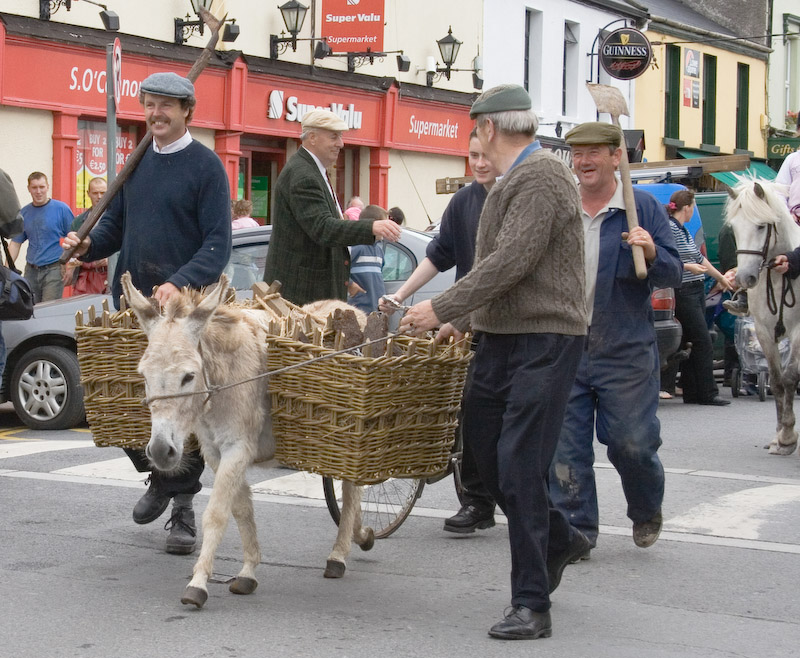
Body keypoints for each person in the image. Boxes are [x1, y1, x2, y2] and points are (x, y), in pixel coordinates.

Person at [400, 84, 591, 641]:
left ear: (488, 128)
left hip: (547, 339)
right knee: (483, 453)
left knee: (519, 462)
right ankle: (559, 537)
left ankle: (531, 602)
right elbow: (498, 270)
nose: (475, 138)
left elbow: (512, 261)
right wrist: (461, 319)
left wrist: (441, 307)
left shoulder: (544, 177)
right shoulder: (509, 182)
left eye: (474, 127)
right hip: (499, 337)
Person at [62, 71, 232, 556]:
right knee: (116, 398)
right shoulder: (136, 162)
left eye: (166, 106)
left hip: (187, 316)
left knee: (185, 407)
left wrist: (179, 281)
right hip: (136, 309)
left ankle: (180, 508)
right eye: (150, 104)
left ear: (187, 112)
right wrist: (89, 242)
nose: (155, 114)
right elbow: (114, 225)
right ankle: (161, 479)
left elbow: (217, 244)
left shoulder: (206, 167)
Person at [548, 122, 683, 561]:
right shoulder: (561, 207)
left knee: (632, 443)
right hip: (566, 345)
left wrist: (652, 251)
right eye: (577, 154)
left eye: (593, 153)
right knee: (565, 451)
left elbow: (674, 274)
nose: (584, 162)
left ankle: (646, 507)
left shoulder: (639, 208)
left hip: (624, 349)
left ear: (615, 157)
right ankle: (577, 532)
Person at [380, 128, 499, 534]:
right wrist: (401, 295)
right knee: (472, 409)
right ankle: (478, 500)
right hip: (471, 323)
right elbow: (438, 256)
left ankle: (534, 502)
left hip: (506, 319)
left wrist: (452, 316)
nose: (480, 163)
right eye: (473, 155)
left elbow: (499, 275)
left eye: (486, 154)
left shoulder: (515, 199)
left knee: (513, 417)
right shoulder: (464, 201)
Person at [263, 108, 401, 306]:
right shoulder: (303, 175)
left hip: (308, 296)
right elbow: (323, 228)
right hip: (302, 297)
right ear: (312, 137)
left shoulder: (311, 170)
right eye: (334, 137)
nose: (341, 144)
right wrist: (371, 227)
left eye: (341, 137)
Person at [661, 189, 732, 404]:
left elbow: (700, 259)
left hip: (695, 289)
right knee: (703, 340)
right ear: (688, 207)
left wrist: (721, 278)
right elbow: (665, 257)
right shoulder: (671, 230)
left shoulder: (683, 231)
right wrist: (687, 266)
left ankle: (692, 391)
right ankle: (707, 393)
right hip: (684, 290)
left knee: (692, 340)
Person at [8, 172, 73, 302]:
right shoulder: (24, 213)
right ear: (29, 189)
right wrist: (6, 269)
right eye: (34, 187)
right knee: (30, 308)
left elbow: (74, 238)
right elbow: (15, 243)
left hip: (54, 269)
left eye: (42, 187)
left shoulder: (61, 209)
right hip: (31, 271)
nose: (38, 191)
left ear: (47, 187)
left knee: (48, 310)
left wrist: (71, 266)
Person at [64, 176, 109, 296]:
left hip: (109, 276)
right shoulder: (78, 221)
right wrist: (70, 267)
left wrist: (112, 259)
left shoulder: (116, 219)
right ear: (88, 193)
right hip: (85, 277)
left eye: (103, 193)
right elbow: (73, 250)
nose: (99, 196)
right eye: (95, 193)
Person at [347, 204, 388, 313]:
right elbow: (340, 269)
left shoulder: (379, 251)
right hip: (358, 308)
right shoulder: (356, 247)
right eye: (385, 224)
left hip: (376, 308)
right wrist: (350, 285)